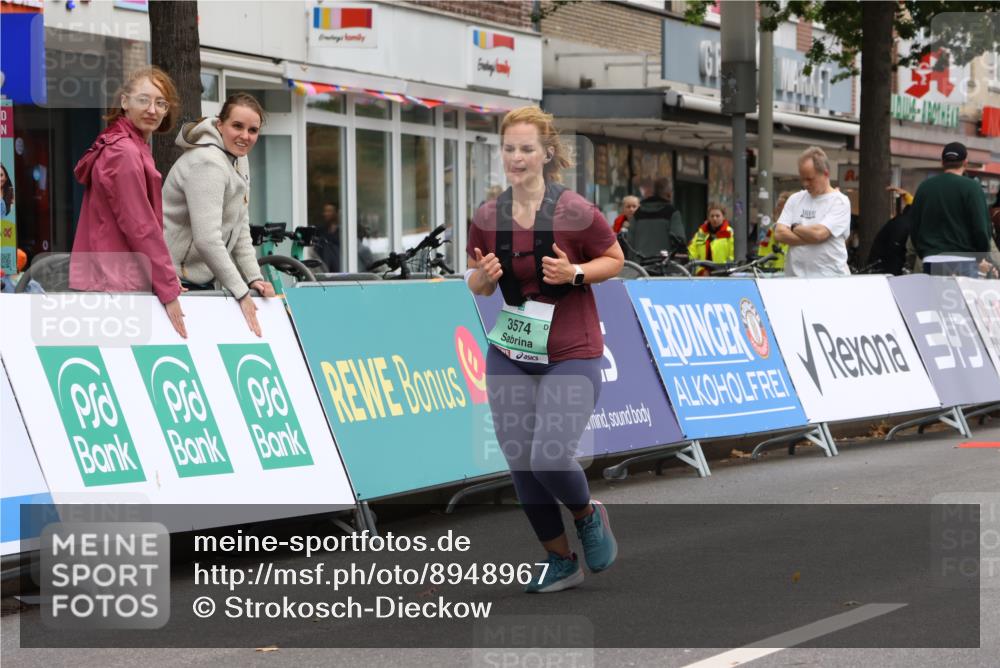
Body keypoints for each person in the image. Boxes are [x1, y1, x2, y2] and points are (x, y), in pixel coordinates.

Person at [466, 106, 624, 594]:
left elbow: (615, 259)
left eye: (526, 148)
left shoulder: (575, 211)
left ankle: (587, 513)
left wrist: (575, 273)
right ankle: (560, 560)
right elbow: (476, 284)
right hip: (512, 350)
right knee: (520, 459)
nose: (516, 157)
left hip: (572, 350)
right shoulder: (487, 216)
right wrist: (484, 278)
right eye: (509, 148)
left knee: (550, 456)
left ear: (547, 154)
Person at [69, 66, 187, 338]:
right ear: (124, 102)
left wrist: (164, 279)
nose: (153, 109)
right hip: (114, 284)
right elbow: (141, 227)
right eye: (143, 99)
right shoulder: (124, 152)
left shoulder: (129, 147)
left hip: (111, 280)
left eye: (161, 103)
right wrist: (167, 287)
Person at [163, 92, 275, 337]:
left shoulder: (237, 158)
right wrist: (242, 292)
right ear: (219, 124)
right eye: (237, 126)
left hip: (198, 279)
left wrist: (253, 277)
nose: (245, 136)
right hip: (176, 281)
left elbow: (240, 225)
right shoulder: (209, 163)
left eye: (253, 130)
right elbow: (207, 239)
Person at [909, 142, 991, 278]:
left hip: (933, 258)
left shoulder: (925, 187)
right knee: (960, 299)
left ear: (942, 162)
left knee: (936, 298)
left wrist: (925, 252)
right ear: (965, 162)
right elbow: (981, 227)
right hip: (965, 259)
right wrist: (982, 254)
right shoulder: (972, 188)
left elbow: (914, 225)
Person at [772, 146, 851, 277]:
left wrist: (794, 227)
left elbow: (819, 234)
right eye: (802, 179)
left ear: (826, 174)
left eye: (810, 179)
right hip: (795, 281)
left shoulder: (839, 202)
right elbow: (779, 233)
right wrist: (810, 237)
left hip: (829, 281)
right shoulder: (795, 199)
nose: (805, 184)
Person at [628, 176, 686, 259]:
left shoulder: (637, 214)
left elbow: (630, 243)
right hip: (664, 267)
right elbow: (679, 241)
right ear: (669, 194)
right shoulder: (672, 213)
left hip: (641, 267)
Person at [867, 202, 913, 276]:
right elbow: (895, 249)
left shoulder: (900, 221)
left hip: (881, 264)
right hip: (886, 266)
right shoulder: (904, 224)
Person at [687, 204, 734, 275]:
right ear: (708, 217)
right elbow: (692, 254)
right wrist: (701, 271)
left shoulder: (729, 232)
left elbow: (732, 256)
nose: (714, 218)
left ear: (723, 217)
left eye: (717, 216)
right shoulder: (701, 233)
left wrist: (725, 270)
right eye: (712, 216)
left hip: (724, 274)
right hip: (703, 275)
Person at [756, 191, 791, 270]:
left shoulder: (797, 227)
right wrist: (762, 265)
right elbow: (764, 247)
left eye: (782, 206)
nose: (778, 208)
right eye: (778, 205)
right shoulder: (773, 228)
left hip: (790, 270)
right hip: (775, 270)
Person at [314, 202, 341, 272]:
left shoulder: (344, 232)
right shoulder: (321, 230)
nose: (325, 214)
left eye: (329, 211)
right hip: (323, 268)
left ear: (336, 213)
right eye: (325, 211)